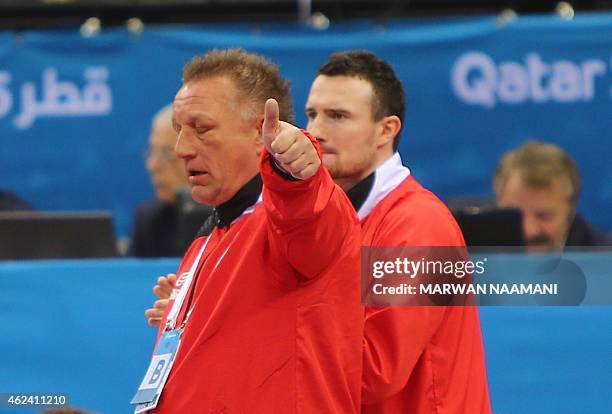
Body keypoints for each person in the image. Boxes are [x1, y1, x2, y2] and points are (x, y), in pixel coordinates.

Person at [148, 50, 491, 414]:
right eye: (312, 115)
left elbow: (373, 371)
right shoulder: (298, 218)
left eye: (338, 116)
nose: (319, 131)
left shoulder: (424, 226)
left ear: (386, 130)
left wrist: (235, 313)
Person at [134, 48, 363, 413]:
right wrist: (193, 319)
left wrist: (297, 173)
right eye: (180, 131)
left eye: (202, 129)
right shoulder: (211, 235)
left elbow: (307, 209)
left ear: (262, 132)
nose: (181, 149)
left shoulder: (296, 212)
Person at [495, 140, 612, 251]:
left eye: (544, 216)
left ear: (570, 211)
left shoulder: (605, 259)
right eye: (516, 216)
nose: (529, 230)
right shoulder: (479, 252)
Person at [128, 105, 212, 257]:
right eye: (153, 151)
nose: (152, 166)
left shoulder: (237, 218)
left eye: (167, 154)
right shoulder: (151, 221)